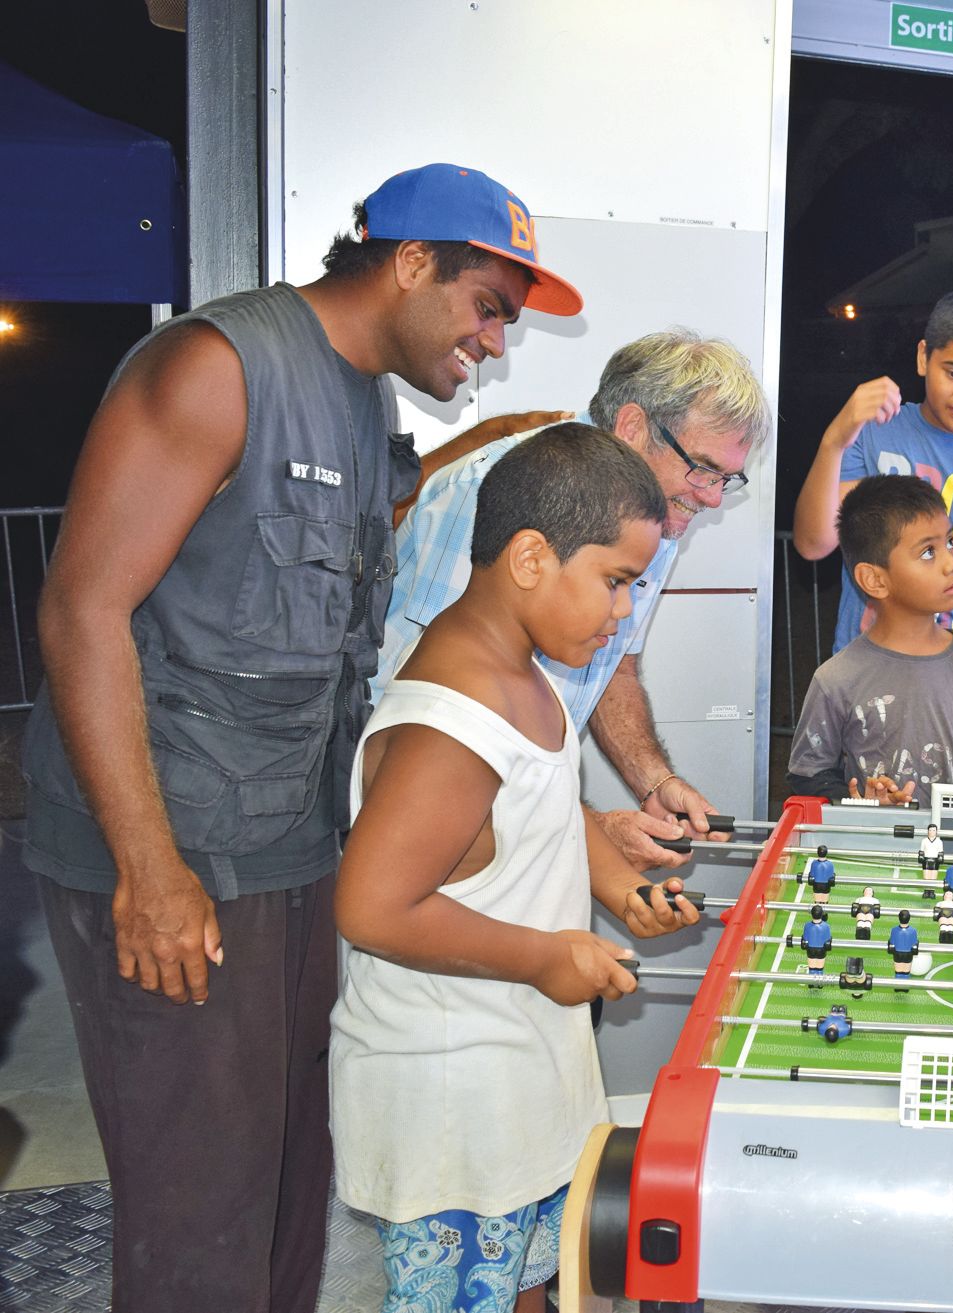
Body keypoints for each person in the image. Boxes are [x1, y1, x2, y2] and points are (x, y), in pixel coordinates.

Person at [20, 162, 576, 1312]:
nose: (496, 338)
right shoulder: (218, 367)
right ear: (411, 262)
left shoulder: (366, 397)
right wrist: (148, 870)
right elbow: (82, 611)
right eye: (488, 305)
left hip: (288, 846)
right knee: (198, 1214)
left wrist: (510, 445)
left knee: (284, 1184)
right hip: (175, 860)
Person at [330, 423, 701, 1313]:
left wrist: (619, 885)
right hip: (452, 1106)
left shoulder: (522, 673)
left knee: (530, 1282)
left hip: (517, 1083)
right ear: (532, 557)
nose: (622, 612)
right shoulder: (447, 723)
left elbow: (534, 811)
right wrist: (545, 955)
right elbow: (374, 907)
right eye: (615, 582)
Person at [381, 329, 769, 870]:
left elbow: (613, 667)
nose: (710, 498)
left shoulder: (655, 507)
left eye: (727, 479)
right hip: (426, 831)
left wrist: (653, 780)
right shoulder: (499, 487)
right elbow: (436, 713)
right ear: (633, 428)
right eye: (703, 469)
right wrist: (583, 831)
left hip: (521, 828)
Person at [792, 289, 953, 646]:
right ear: (924, 357)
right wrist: (834, 440)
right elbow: (813, 544)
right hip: (868, 666)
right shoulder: (875, 433)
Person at [787, 477, 953, 805]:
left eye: (949, 542)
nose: (952, 563)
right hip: (872, 853)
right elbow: (808, 773)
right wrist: (859, 805)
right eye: (927, 552)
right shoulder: (837, 678)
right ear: (875, 580)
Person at [800, 906, 832, 978]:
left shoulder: (807, 925)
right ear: (821, 914)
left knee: (812, 968)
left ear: (811, 914)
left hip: (810, 949)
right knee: (819, 968)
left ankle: (811, 982)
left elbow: (804, 938)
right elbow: (828, 939)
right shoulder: (826, 926)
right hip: (821, 950)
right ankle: (819, 983)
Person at [887, 908, 920, 977]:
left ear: (899, 918)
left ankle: (898, 986)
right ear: (909, 918)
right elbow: (915, 943)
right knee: (906, 973)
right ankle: (905, 986)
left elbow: (891, 942)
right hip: (908, 954)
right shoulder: (913, 931)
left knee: (898, 973)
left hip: (897, 954)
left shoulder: (894, 930)